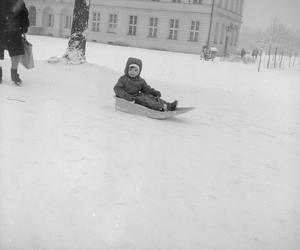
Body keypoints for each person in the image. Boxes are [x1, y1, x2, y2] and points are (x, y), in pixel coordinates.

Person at [0, 0, 29, 85]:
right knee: (16, 53)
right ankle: (14, 74)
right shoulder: (18, 1)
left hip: (2, 30)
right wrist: (23, 28)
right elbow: (24, 17)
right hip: (14, 31)